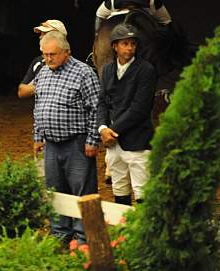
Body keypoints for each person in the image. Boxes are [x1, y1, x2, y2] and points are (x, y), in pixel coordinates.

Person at [33, 30, 100, 244]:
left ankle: (84, 238)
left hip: (77, 143)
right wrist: (38, 135)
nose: (48, 58)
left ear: (66, 52)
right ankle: (60, 235)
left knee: (81, 190)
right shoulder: (43, 72)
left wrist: (92, 140)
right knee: (55, 191)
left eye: (52, 54)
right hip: (51, 144)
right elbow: (38, 106)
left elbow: (96, 108)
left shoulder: (84, 72)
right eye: (45, 54)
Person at [97, 24, 157, 206]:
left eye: (133, 43)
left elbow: (139, 108)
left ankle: (145, 234)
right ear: (115, 46)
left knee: (143, 193)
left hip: (137, 141)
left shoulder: (146, 70)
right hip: (114, 144)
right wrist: (101, 127)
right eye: (125, 43)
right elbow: (102, 102)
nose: (130, 48)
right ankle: (124, 234)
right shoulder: (107, 69)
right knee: (119, 190)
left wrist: (111, 131)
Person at [18, 19, 68, 99]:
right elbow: (22, 91)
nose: (40, 37)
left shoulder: (78, 69)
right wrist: (45, 85)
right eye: (41, 34)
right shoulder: (39, 62)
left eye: (45, 34)